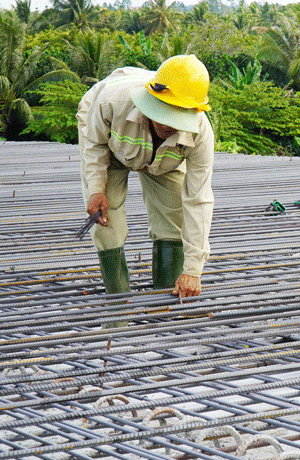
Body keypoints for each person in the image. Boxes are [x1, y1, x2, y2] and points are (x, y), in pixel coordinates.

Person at [77, 54, 215, 310]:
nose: (167, 125)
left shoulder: (200, 134)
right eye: (163, 115)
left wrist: (194, 270)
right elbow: (95, 145)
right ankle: (119, 302)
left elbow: (199, 200)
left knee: (173, 215)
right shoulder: (111, 103)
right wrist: (96, 189)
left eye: (177, 119)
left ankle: (164, 300)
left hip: (167, 160)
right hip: (112, 146)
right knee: (107, 217)